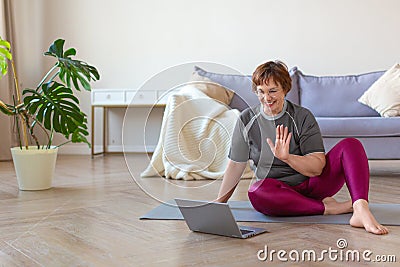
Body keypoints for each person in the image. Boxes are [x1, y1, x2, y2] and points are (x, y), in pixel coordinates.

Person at [216, 60, 388, 235]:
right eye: (261, 92)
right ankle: (328, 208)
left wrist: (288, 158)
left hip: (312, 185)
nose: (266, 98)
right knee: (256, 191)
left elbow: (317, 168)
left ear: (285, 89)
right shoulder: (246, 119)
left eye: (273, 91)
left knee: (351, 145)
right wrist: (219, 203)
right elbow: (236, 165)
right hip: (278, 192)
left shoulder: (302, 116)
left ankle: (360, 209)